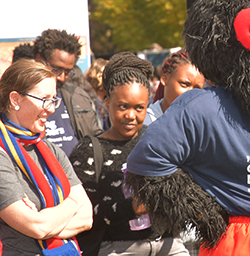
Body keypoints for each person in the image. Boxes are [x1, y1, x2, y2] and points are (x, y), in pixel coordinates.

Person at [69, 52, 189, 256]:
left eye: (139, 108)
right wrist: (131, 207)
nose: (130, 116)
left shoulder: (157, 140)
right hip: (119, 247)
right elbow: (81, 214)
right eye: (122, 107)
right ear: (107, 103)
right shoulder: (90, 150)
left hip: (168, 244)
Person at [0, 59, 93, 255]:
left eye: (54, 99)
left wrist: (46, 222)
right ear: (15, 99)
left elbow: (86, 216)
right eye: (45, 100)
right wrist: (72, 204)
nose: (51, 109)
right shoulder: (2, 153)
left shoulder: (49, 149)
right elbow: (36, 227)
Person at [33, 29, 102, 155]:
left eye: (68, 72)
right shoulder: (19, 98)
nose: (62, 77)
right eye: (57, 69)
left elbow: (97, 138)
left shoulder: (80, 97)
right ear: (39, 59)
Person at [144, 51, 205, 125]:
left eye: (197, 88)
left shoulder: (201, 125)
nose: (191, 93)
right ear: (165, 79)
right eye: (184, 84)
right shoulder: (144, 124)